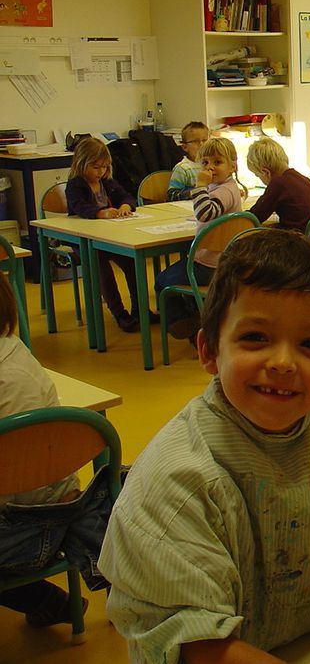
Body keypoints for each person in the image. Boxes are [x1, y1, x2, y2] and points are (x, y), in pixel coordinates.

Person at [98, 230, 310, 664]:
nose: (282, 362)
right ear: (209, 350)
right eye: (255, 338)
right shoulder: (178, 478)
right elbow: (194, 641)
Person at [0, 273, 112, 627]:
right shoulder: (14, 350)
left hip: (24, 529)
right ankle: (46, 601)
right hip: (54, 505)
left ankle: (43, 599)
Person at [154, 137, 246, 342]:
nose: (210, 167)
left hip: (209, 264)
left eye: (217, 162)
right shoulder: (229, 187)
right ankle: (197, 318)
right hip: (223, 261)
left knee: (162, 281)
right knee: (181, 277)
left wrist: (200, 186)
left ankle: (185, 324)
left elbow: (205, 213)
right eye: (205, 163)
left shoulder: (224, 190)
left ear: (232, 166)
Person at [66, 137, 143, 332]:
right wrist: (100, 213)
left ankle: (139, 310)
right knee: (102, 268)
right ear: (81, 164)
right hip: (83, 240)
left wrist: (126, 205)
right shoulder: (75, 185)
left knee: (131, 262)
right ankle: (119, 313)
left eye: (104, 167)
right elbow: (79, 207)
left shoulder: (107, 182)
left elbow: (125, 196)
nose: (101, 172)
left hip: (109, 237)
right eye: (96, 167)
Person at [246, 137, 310, 248]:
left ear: (265, 172)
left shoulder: (278, 183)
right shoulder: (303, 178)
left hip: (301, 247)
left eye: (258, 176)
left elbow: (255, 216)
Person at [166, 121, 209, 201]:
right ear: (185, 147)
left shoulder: (211, 166)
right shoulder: (183, 168)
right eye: (196, 141)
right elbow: (171, 195)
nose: (202, 144)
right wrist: (194, 192)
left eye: (205, 140)